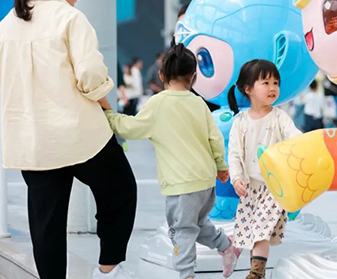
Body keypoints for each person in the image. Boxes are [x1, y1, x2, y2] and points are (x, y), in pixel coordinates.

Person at [0, 0, 137, 279]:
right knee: (120, 190)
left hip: (32, 141)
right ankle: (107, 268)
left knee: (45, 223)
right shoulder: (70, 19)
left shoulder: (7, 24)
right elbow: (90, 74)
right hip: (78, 134)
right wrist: (105, 103)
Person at [101, 44, 240, 279]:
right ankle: (226, 245)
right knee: (195, 224)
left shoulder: (158, 103)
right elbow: (215, 138)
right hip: (206, 182)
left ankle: (186, 274)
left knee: (182, 229)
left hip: (181, 184)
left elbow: (130, 128)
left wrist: (108, 116)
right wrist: (221, 166)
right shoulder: (198, 103)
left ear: (161, 74)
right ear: (193, 76)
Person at [227, 60, 301, 279]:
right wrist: (236, 178)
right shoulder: (240, 122)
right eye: (266, 82)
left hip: (274, 187)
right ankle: (249, 265)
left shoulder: (279, 117)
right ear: (248, 89)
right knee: (253, 233)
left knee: (261, 231)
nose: (272, 88)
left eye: (276, 83)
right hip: (251, 188)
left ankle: (256, 273)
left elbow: (294, 137)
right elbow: (234, 154)